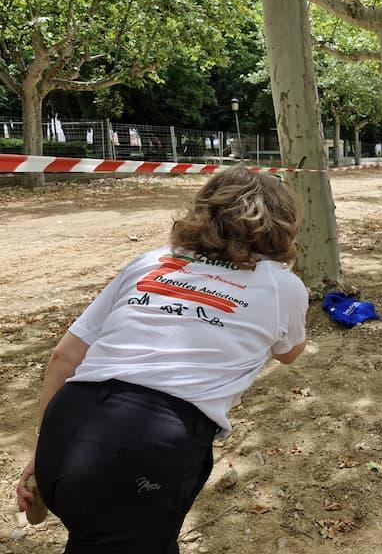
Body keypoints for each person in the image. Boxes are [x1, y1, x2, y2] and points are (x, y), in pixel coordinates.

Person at [16, 165, 309, 553]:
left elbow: (64, 355)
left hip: (68, 426)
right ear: (282, 225)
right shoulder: (281, 285)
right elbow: (288, 353)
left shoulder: (150, 261)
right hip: (150, 446)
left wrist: (45, 451)